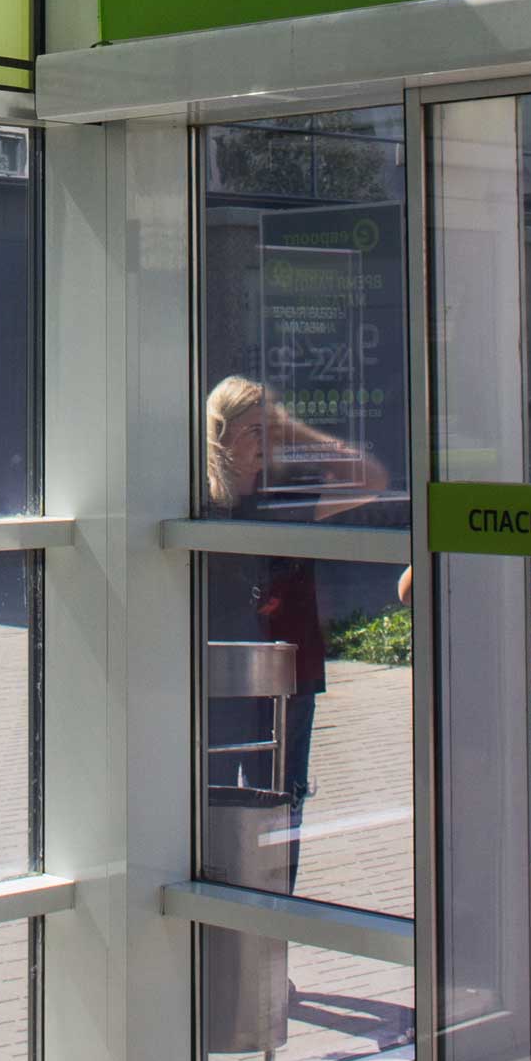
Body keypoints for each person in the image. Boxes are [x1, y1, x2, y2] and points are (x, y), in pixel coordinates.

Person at [202, 377, 387, 892]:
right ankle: (219, 909)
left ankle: (275, 915)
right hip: (222, 675)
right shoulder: (201, 500)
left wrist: (295, 429)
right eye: (253, 431)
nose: (265, 442)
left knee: (282, 806)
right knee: (210, 798)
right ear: (220, 434)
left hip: (290, 676)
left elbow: (370, 480)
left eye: (271, 430)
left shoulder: (284, 492)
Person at [396, 564, 531, 1060]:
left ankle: (522, 1004)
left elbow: (411, 588)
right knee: (490, 844)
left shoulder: (469, 519)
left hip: (472, 671)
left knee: (480, 846)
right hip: (495, 665)